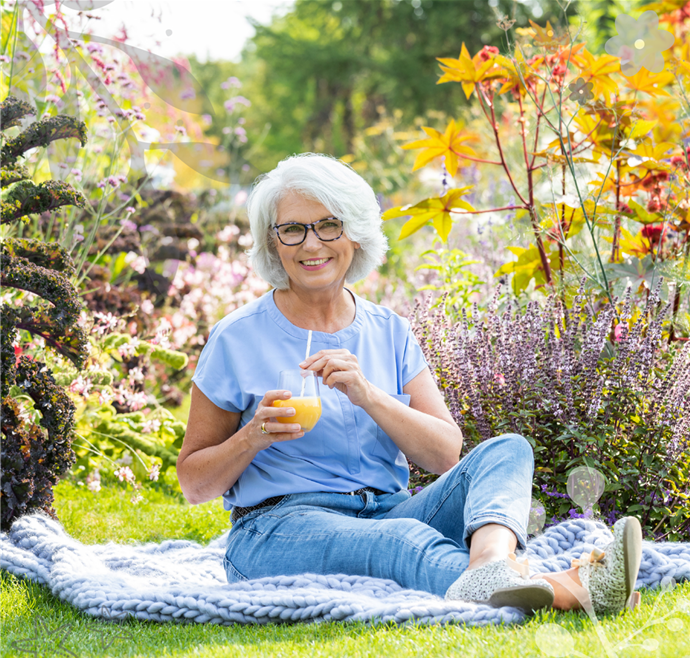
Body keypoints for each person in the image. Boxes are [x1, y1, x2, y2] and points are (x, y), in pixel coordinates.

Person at [176, 153, 642, 616]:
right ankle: (570, 589)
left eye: (328, 225)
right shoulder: (236, 338)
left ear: (354, 235)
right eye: (293, 229)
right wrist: (253, 436)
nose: (311, 244)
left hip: (388, 509)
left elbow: (444, 455)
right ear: (273, 243)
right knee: (401, 541)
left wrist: (368, 395)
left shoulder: (388, 330)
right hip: (277, 529)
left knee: (508, 450)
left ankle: (491, 564)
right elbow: (194, 484)